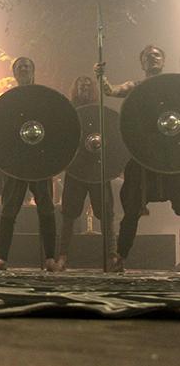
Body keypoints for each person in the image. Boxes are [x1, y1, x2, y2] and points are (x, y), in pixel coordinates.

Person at [95, 45, 180, 272]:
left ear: (163, 60)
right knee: (131, 209)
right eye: (147, 56)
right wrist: (102, 77)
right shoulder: (136, 87)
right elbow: (111, 90)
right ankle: (120, 257)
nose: (152, 58)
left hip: (171, 157)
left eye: (156, 55)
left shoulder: (174, 86)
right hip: (144, 156)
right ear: (142, 63)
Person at [0, 57, 59, 272]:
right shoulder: (9, 100)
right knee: (9, 210)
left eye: (27, 66)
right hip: (16, 161)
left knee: (46, 208)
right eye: (19, 67)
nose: (23, 70)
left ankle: (50, 258)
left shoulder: (42, 98)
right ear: (14, 73)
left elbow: (54, 122)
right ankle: (2, 258)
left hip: (39, 160)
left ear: (33, 70)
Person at [57, 76, 116, 270]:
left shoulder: (100, 112)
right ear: (76, 89)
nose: (84, 88)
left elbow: (111, 135)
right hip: (76, 168)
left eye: (88, 85)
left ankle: (111, 256)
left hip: (98, 168)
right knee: (69, 214)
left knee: (106, 213)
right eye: (81, 85)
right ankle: (62, 256)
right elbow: (63, 137)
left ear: (93, 90)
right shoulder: (69, 112)